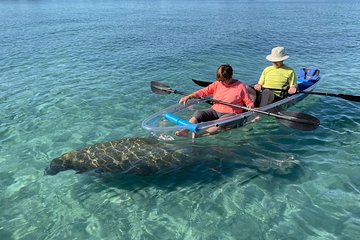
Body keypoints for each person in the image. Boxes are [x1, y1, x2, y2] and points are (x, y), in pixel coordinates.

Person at [175, 64, 254, 138]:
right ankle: (185, 131)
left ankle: (199, 135)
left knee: (220, 123)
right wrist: (189, 96)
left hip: (231, 113)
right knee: (199, 114)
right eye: (220, 80)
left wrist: (250, 106)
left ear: (231, 76)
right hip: (215, 110)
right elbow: (204, 91)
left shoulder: (240, 86)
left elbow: (248, 101)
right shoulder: (217, 83)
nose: (221, 82)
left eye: (224, 80)